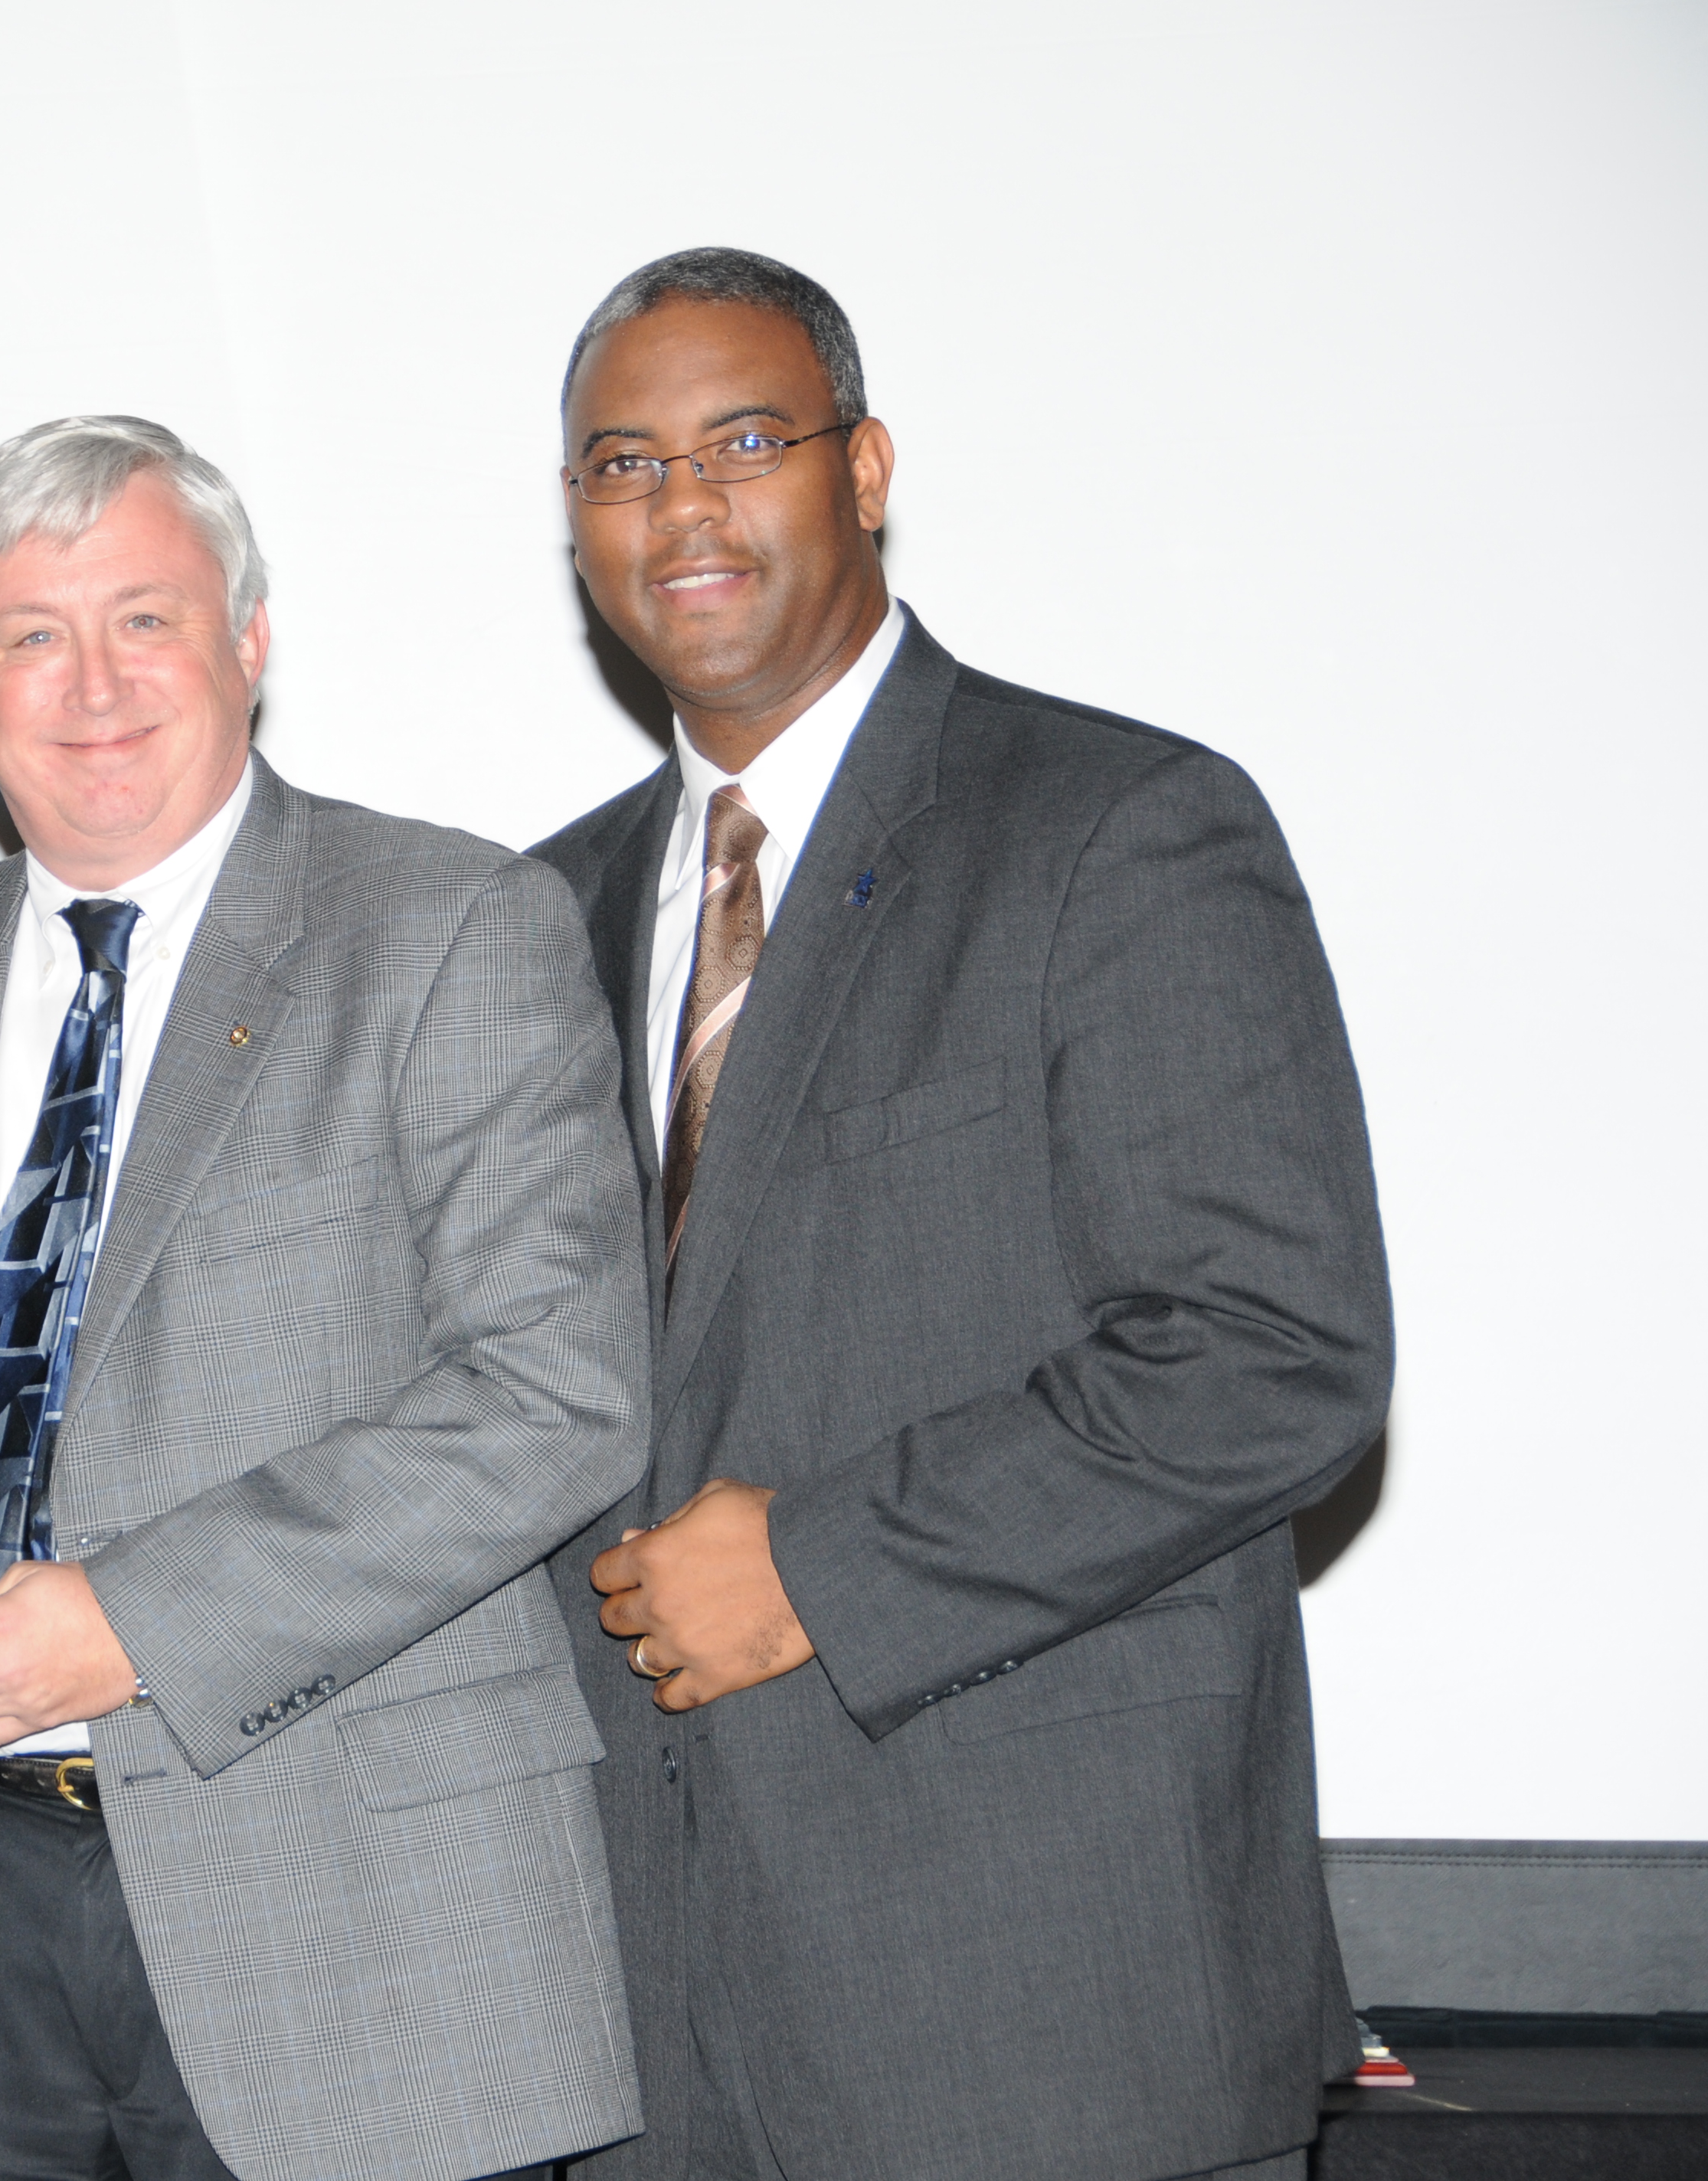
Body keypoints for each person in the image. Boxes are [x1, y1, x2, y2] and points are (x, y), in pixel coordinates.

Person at [0, 415, 651, 2181]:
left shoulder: (445, 927)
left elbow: (553, 1389)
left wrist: (133, 1616)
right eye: (28, 634)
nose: (89, 684)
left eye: (144, 619)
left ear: (248, 642)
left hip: (360, 1917)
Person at [529, 249, 1393, 2181]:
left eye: (742, 440)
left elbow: (1276, 1352)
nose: (680, 504)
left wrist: (824, 1561)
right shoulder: (530, 920)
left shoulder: (1116, 825)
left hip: (1038, 2022)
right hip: (634, 2030)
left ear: (864, 468)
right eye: (618, 462)